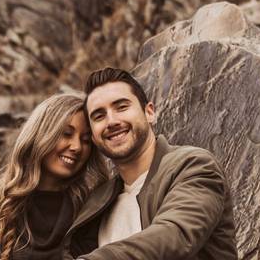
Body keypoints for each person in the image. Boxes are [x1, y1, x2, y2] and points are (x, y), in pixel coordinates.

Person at [66, 68, 238, 260]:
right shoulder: (97, 202)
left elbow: (175, 235)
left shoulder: (194, 167)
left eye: (121, 107)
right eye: (99, 116)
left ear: (149, 112)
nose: (111, 121)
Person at [0, 94, 107, 260]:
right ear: (40, 135)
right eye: (66, 134)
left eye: (86, 140)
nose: (77, 147)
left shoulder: (91, 207)